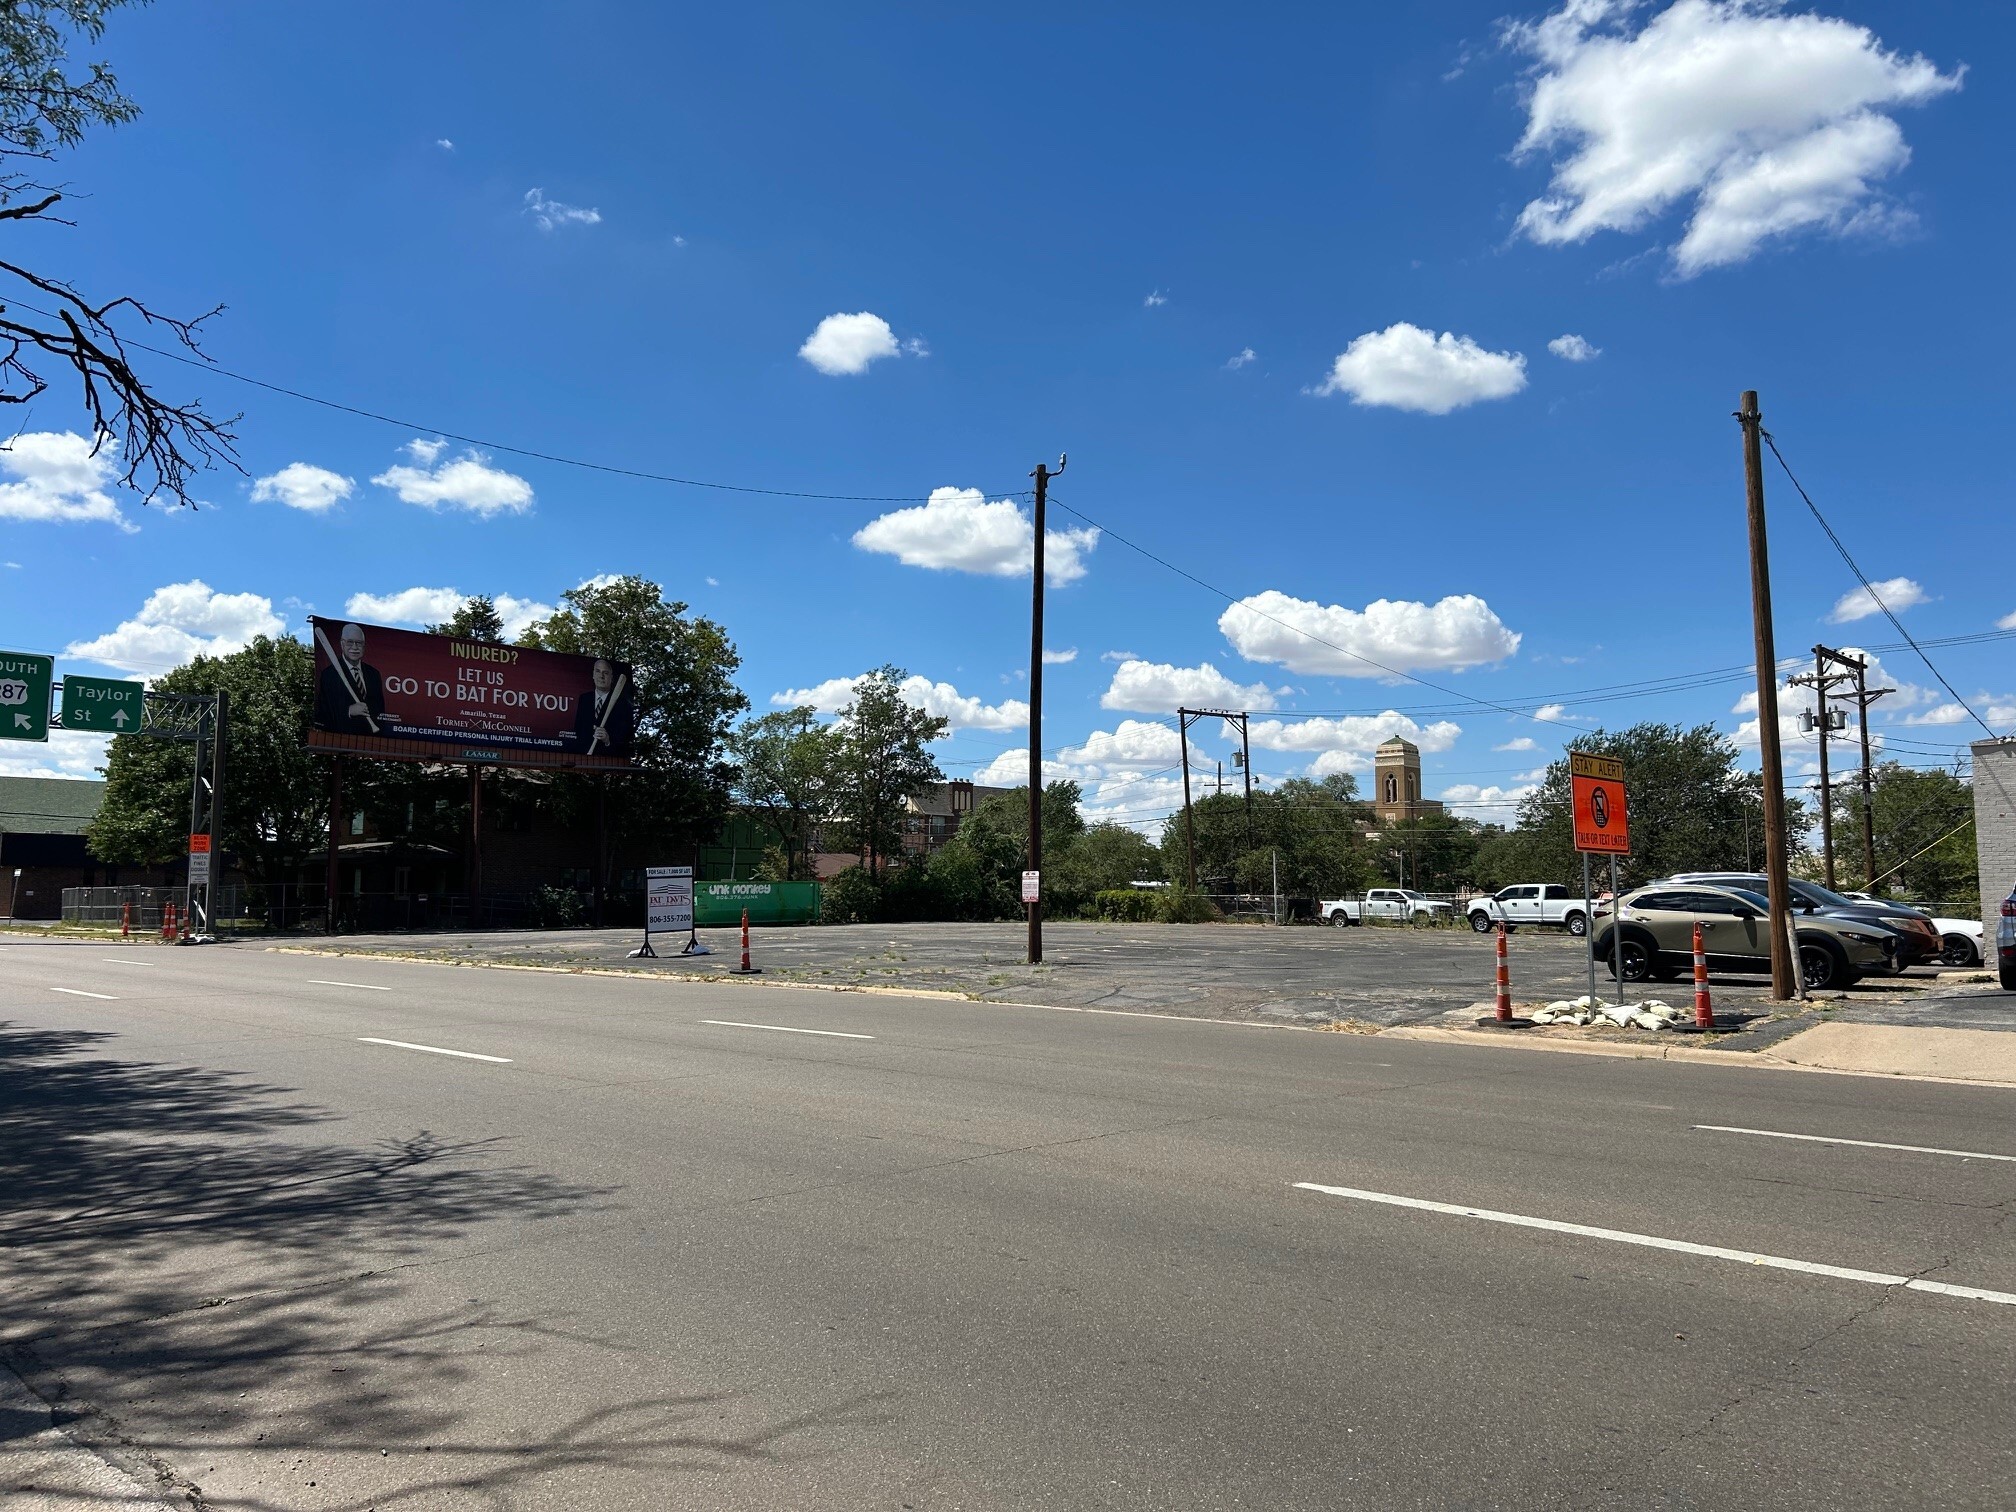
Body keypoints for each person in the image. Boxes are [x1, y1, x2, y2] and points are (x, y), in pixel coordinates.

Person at [316, 623, 385, 734]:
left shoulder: (374, 674)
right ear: (342, 644)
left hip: (371, 737)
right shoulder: (329, 675)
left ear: (364, 646)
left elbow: (380, 710)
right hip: (340, 737)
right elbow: (324, 712)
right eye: (350, 642)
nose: (354, 647)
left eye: (359, 643)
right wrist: (349, 710)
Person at [571, 657, 633, 758]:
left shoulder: (622, 704)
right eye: (598, 671)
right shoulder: (584, 698)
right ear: (593, 675)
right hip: (584, 756)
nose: (601, 676)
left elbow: (625, 737)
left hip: (609, 757)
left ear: (611, 678)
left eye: (606, 673)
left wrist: (607, 740)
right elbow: (578, 729)